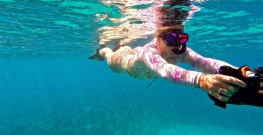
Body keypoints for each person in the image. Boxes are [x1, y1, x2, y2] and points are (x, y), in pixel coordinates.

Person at [89, 24, 247, 102]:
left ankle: (121, 45)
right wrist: (202, 80)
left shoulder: (180, 51)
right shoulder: (149, 52)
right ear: (158, 37)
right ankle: (102, 50)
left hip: (135, 57)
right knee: (110, 54)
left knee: (126, 46)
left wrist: (238, 71)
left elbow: (205, 63)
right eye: (171, 38)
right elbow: (164, 69)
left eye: (181, 39)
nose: (176, 44)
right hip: (123, 62)